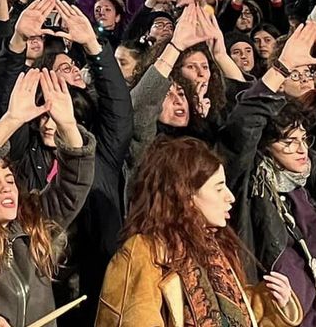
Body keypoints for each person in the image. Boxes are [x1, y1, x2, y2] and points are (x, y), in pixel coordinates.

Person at [222, 22, 316, 327]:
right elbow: (243, 128)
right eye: (288, 142)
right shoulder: (248, 177)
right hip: (278, 312)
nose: (300, 149)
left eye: (303, 139)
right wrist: (283, 66)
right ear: (266, 147)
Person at [0, 69, 95, 327]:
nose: (6, 188)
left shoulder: (32, 222)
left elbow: (73, 186)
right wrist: (11, 120)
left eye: (9, 180)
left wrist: (68, 125)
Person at [97, 137, 300, 326]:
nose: (230, 197)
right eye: (219, 188)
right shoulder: (144, 254)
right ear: (185, 196)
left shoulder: (215, 251)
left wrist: (274, 306)